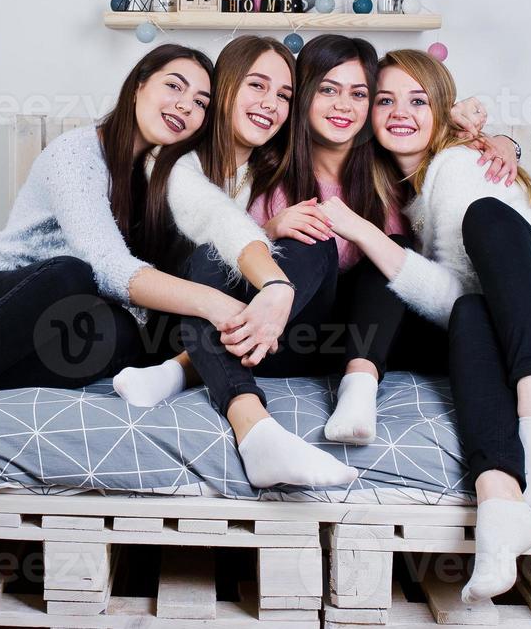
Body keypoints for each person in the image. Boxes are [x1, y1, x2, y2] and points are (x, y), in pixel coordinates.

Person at [316, 48, 531, 601]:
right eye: (385, 100)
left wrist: (363, 234)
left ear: (442, 112)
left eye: (418, 100)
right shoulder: (410, 192)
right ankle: (499, 505)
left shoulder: (460, 166)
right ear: (370, 116)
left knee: (487, 218)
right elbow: (464, 305)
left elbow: (461, 291)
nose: (401, 112)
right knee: (471, 311)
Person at [0, 44, 255, 483]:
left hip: (59, 329)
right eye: (174, 86)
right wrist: (211, 302)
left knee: (125, 337)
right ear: (137, 86)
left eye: (199, 103)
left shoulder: (160, 180)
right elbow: (106, 266)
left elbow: (200, 245)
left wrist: (270, 226)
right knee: (73, 272)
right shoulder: (75, 154)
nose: (184, 105)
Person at [114, 35, 358, 488]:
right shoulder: (172, 163)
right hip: (186, 324)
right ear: (225, 87)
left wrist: (494, 138)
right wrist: (275, 283)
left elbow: (371, 127)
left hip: (278, 336)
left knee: (313, 238)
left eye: (284, 95)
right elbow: (216, 221)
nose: (271, 103)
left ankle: (181, 370)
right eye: (257, 85)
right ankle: (255, 427)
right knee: (212, 256)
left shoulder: (279, 166)